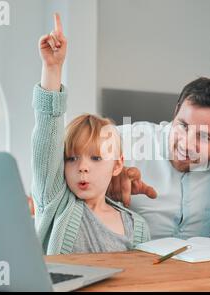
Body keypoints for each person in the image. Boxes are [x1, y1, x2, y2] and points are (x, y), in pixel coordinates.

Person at [32, 13, 150, 255]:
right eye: (72, 158)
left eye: (95, 158)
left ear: (117, 165)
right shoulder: (55, 201)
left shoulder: (137, 226)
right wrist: (52, 68)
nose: (82, 168)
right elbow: (47, 130)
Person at [107, 77, 210, 240]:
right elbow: (74, 151)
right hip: (130, 261)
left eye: (205, 137)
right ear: (176, 111)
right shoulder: (127, 140)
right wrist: (103, 175)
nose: (187, 145)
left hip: (199, 263)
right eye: (183, 126)